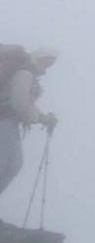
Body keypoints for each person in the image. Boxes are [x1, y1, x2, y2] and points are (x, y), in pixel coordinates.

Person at [1, 45, 59, 208]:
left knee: (13, 165)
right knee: (7, 165)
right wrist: (42, 118)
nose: (49, 64)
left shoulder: (26, 73)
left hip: (8, 123)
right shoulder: (25, 73)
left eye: (51, 62)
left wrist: (42, 118)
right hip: (3, 123)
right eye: (47, 60)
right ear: (38, 57)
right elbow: (20, 103)